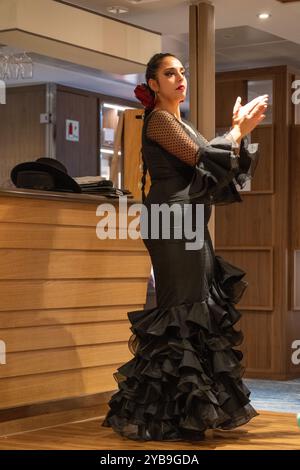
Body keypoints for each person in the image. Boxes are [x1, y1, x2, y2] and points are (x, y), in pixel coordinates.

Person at [101, 52, 268, 441]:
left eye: (182, 73)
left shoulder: (183, 124)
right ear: (153, 85)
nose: (180, 79)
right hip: (170, 222)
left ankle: (187, 410)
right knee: (182, 309)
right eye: (169, 73)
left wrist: (236, 133)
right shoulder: (158, 120)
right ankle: (166, 414)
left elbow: (216, 171)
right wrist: (235, 132)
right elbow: (200, 158)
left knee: (198, 306)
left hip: (188, 220)